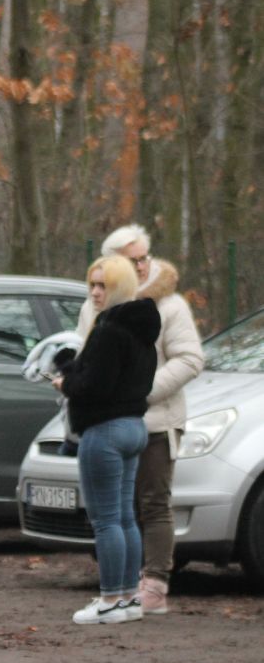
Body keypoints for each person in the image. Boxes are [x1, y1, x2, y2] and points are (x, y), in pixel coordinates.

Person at [77, 225, 204, 614]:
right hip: (114, 417)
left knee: (153, 503)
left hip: (155, 419)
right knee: (120, 510)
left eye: (143, 258)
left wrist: (140, 392)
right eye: (130, 260)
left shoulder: (171, 306)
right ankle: (126, 587)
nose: (140, 265)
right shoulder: (95, 305)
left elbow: (189, 358)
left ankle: (154, 584)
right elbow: (88, 359)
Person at [56, 255, 160, 625]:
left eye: (104, 285)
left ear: (120, 287)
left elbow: (93, 385)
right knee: (125, 517)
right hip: (134, 426)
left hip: (105, 431)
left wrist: (65, 382)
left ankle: (110, 599)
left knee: (106, 520)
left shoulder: (108, 331)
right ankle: (129, 597)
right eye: (92, 285)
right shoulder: (142, 330)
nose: (95, 292)